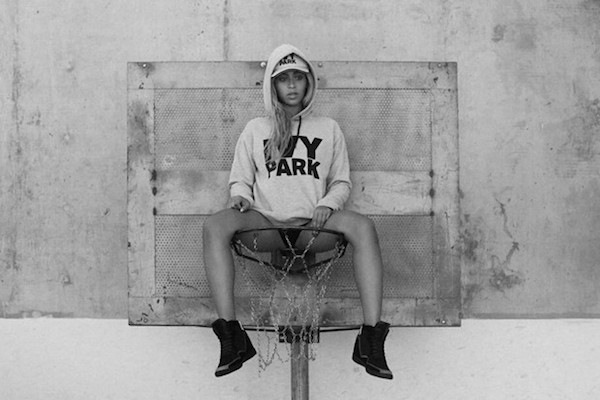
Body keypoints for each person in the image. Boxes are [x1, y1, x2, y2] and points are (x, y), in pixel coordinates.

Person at [203, 44, 393, 380]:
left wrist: (327, 204)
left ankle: (371, 339)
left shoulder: (328, 128)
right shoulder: (255, 129)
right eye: (283, 79)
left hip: (312, 226)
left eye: (298, 77)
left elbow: (341, 182)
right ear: (272, 85)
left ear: (309, 82)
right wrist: (240, 197)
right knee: (215, 225)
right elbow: (240, 180)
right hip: (265, 224)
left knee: (363, 227)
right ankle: (231, 336)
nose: (291, 85)